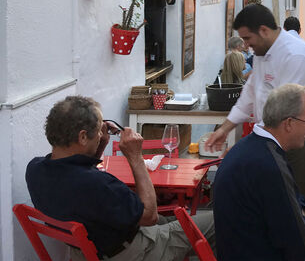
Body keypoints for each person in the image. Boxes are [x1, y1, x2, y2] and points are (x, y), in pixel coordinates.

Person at [25, 96, 215, 260]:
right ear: (83, 137)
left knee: (174, 220)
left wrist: (100, 145)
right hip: (133, 253)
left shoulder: (34, 170)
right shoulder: (99, 185)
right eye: (98, 131)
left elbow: (79, 172)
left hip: (86, 251)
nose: (101, 134)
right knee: (217, 221)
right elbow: (150, 215)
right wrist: (136, 157)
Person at [205, 3, 305, 233]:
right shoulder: (263, 52)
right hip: (272, 137)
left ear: (263, 30)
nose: (245, 45)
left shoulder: (295, 54)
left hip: (300, 138)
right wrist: (225, 128)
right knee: (278, 205)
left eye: (247, 38)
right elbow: (250, 92)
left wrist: (246, 148)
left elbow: (283, 111)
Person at [213, 84, 305, 261]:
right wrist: (300, 212)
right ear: (289, 123)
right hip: (262, 253)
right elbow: (301, 245)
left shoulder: (248, 147)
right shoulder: (270, 165)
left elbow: (296, 207)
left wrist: (300, 210)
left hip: (244, 247)